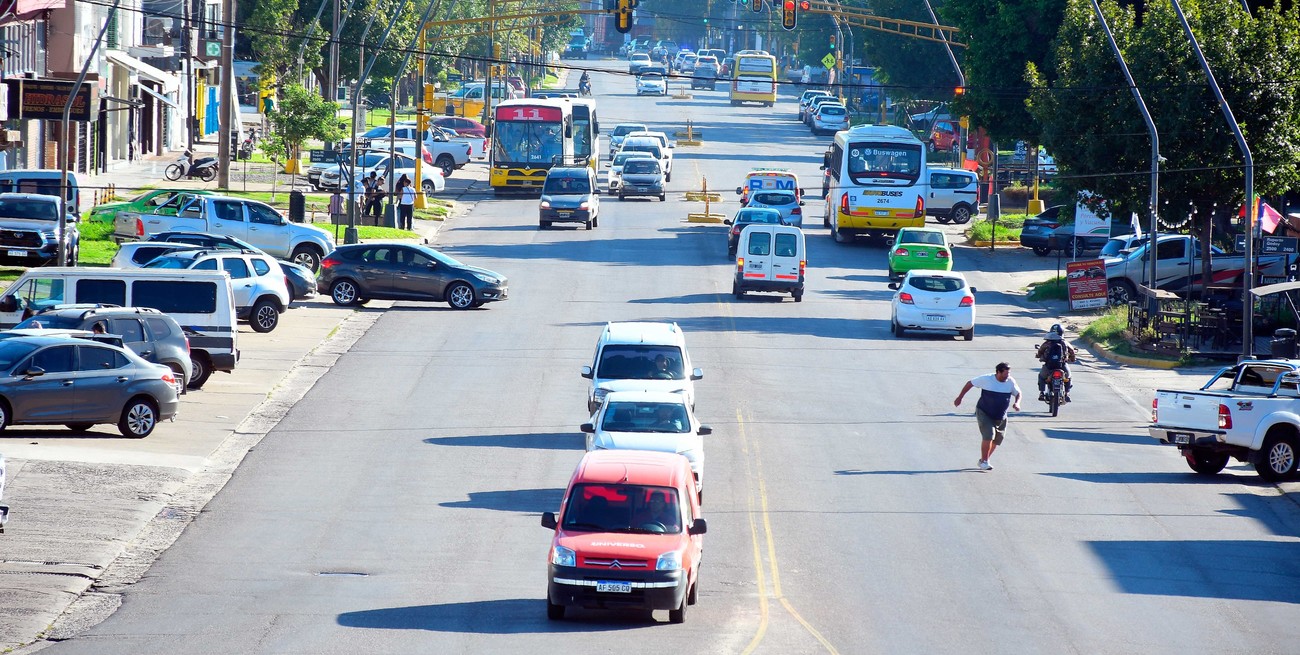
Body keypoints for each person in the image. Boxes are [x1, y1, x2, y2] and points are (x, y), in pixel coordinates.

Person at [953, 362, 1022, 471]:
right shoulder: (987, 379)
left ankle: (983, 460)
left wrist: (1017, 403)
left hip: (1001, 416)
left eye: (1009, 374)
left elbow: (1018, 393)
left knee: (997, 440)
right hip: (984, 412)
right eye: (1005, 374)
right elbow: (970, 383)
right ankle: (985, 461)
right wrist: (960, 397)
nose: (1007, 376)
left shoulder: (1010, 381)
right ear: (998, 372)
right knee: (989, 435)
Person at [1036, 324, 1078, 402]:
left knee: (1041, 377)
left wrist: (1038, 356)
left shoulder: (1047, 342)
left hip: (1049, 366)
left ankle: (1041, 393)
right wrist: (1073, 359)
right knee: (1068, 377)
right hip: (1062, 365)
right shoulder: (1064, 342)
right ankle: (1067, 393)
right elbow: (1072, 351)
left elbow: (1040, 350)